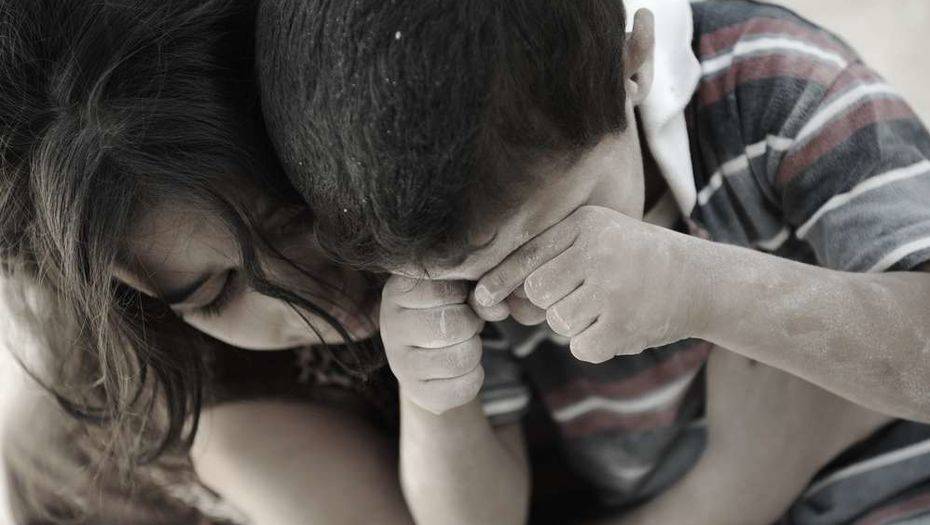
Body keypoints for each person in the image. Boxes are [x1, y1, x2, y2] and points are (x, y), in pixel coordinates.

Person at [257, 0, 930, 522]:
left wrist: (699, 287)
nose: (525, 295)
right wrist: (436, 400)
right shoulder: (432, 245)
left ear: (630, 65)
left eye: (553, 232)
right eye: (470, 279)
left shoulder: (775, 85)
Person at [0, 1, 413, 523]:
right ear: (137, 295)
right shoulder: (223, 415)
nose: (304, 293)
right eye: (215, 293)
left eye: (293, 220)